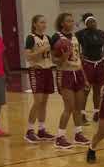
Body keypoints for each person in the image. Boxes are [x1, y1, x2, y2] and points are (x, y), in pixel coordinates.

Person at [51, 13, 90, 149]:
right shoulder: (57, 37)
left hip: (78, 72)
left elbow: (79, 58)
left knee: (78, 108)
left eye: (72, 20)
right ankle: (60, 137)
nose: (72, 23)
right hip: (65, 73)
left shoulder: (75, 37)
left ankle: (78, 134)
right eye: (68, 21)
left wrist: (84, 78)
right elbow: (53, 60)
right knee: (69, 107)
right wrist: (63, 57)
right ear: (62, 23)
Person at [24, 15, 56, 143]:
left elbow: (52, 54)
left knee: (44, 102)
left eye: (45, 22)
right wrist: (41, 50)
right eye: (41, 22)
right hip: (36, 71)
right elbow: (28, 56)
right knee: (37, 102)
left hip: (48, 70)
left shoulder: (48, 38)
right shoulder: (31, 38)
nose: (44, 25)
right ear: (35, 24)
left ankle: (41, 130)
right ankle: (29, 131)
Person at [75, 13, 104, 124]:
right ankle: (82, 115)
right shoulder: (81, 34)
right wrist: (79, 54)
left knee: (97, 90)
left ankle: (97, 113)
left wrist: (103, 53)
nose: (93, 23)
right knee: (86, 90)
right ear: (86, 24)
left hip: (99, 64)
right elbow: (73, 43)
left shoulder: (101, 33)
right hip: (87, 64)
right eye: (90, 22)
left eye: (94, 21)